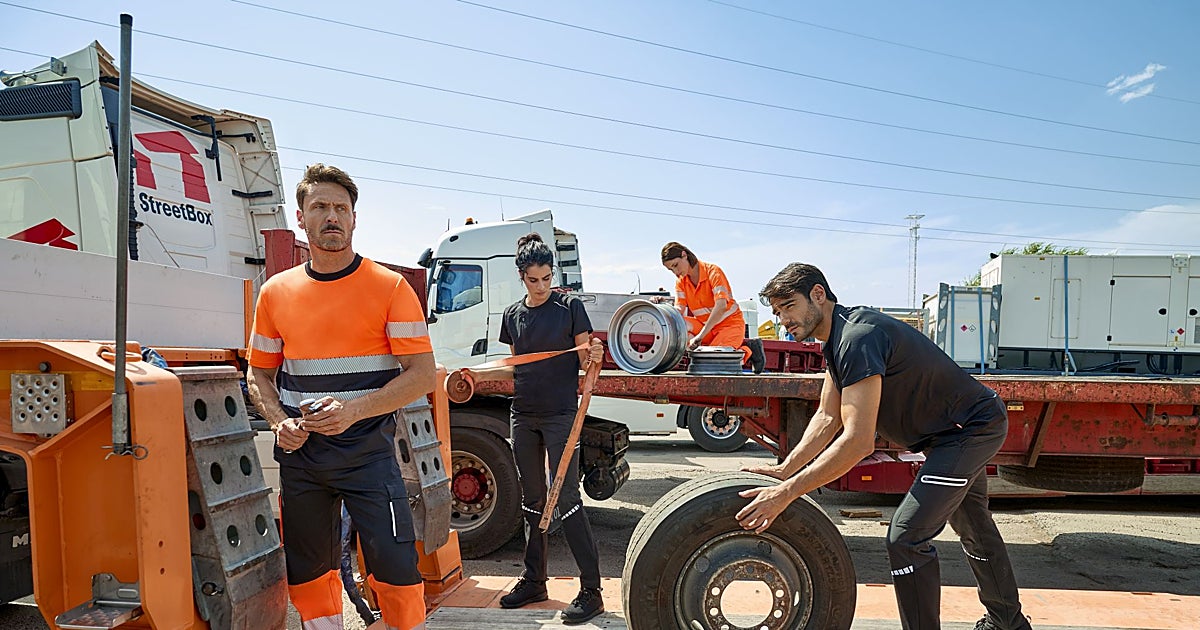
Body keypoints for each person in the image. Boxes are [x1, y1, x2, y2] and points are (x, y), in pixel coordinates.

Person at [737, 263, 1032, 630]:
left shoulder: (858, 337)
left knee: (906, 539)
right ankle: (1010, 624)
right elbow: (829, 417)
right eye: (777, 313)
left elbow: (858, 441)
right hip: (947, 436)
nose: (784, 321)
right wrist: (786, 469)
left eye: (788, 307)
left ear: (817, 294)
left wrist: (787, 493)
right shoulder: (836, 340)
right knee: (974, 525)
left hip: (969, 430)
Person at [246, 163, 435, 630]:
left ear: (354, 219)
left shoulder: (389, 288)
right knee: (310, 578)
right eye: (320, 207)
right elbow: (258, 375)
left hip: (369, 456)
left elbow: (422, 376)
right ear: (301, 217)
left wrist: (354, 410)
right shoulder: (275, 294)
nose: (331, 216)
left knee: (397, 573)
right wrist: (277, 423)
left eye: (340, 208)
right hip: (303, 458)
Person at [475, 233, 606, 624]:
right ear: (521, 277)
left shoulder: (569, 307)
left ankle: (592, 591)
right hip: (524, 414)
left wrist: (594, 354)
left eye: (547, 278)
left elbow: (586, 359)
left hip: (561, 415)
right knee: (532, 499)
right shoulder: (513, 314)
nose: (542, 285)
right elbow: (518, 364)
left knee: (566, 499)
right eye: (534, 280)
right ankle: (535, 580)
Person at [660, 242, 765, 373]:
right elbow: (678, 311)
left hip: (729, 325)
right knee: (679, 325)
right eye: (671, 270)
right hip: (706, 328)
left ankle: (748, 350)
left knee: (716, 365)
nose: (675, 272)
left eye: (675, 265)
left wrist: (700, 336)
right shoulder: (681, 282)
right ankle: (710, 349)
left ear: (684, 255)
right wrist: (662, 307)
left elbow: (721, 306)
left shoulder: (713, 272)